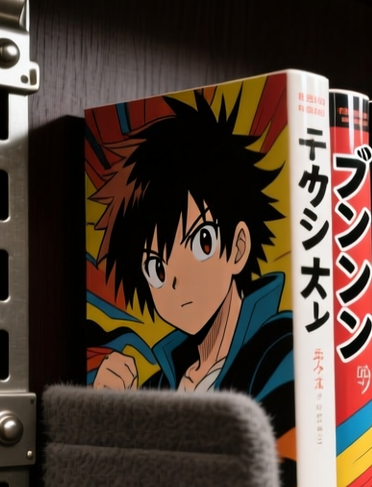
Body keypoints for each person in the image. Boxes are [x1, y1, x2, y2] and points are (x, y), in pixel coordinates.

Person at [87, 88, 295, 440]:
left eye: (201, 242)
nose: (176, 283)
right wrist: (110, 416)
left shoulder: (281, 353)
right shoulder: (160, 383)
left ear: (239, 247)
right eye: (156, 269)